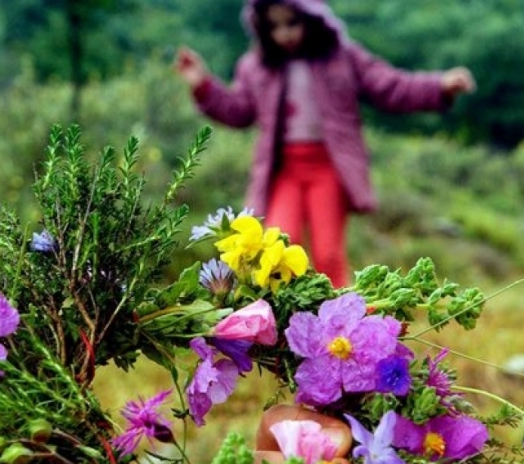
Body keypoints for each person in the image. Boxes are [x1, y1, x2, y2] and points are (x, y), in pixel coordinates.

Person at [175, 0, 475, 287]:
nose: (285, 33)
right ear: (262, 28)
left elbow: (390, 86)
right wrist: (203, 86)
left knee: (328, 253)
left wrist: (439, 86)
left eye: (292, 23)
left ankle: (336, 323)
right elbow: (238, 111)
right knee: (277, 245)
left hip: (328, 167)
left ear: (312, 17)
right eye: (274, 26)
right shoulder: (256, 67)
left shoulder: (343, 57)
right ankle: (278, 326)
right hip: (283, 170)